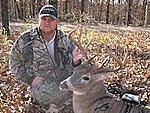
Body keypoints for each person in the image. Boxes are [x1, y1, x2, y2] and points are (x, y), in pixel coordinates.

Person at [9, 5, 83, 113]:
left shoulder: (65, 40)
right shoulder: (25, 39)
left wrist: (75, 62)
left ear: (57, 21)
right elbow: (14, 62)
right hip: (41, 86)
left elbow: (75, 68)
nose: (47, 22)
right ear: (38, 20)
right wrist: (30, 79)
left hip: (63, 83)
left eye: (51, 19)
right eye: (43, 19)